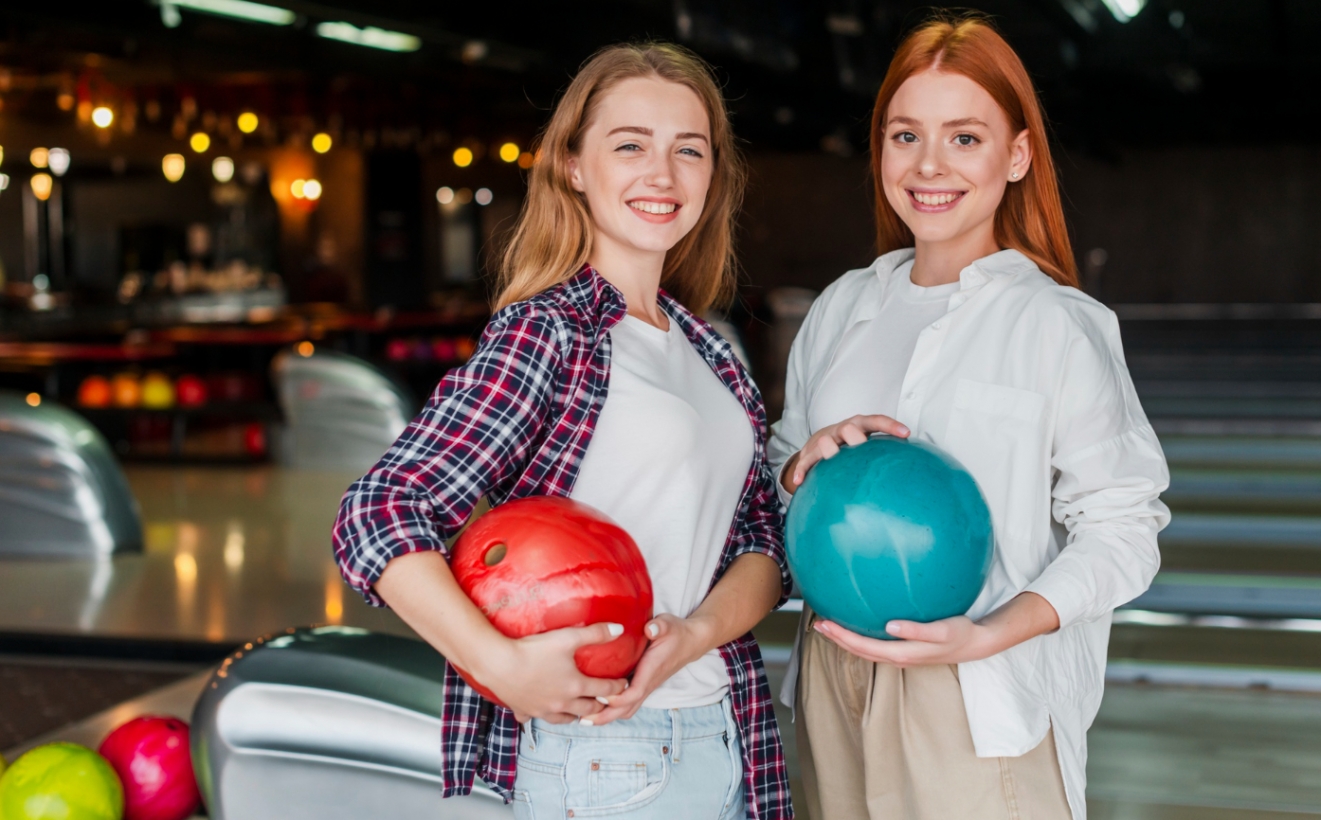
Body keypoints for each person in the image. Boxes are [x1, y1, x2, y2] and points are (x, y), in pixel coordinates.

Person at [333, 42, 794, 820]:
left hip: (727, 731)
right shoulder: (549, 333)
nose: (663, 174)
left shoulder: (709, 346)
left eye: (689, 150)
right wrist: (500, 667)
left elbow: (761, 541)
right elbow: (378, 513)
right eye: (629, 146)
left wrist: (690, 635)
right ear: (573, 166)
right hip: (603, 750)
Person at [768, 15, 1170, 820]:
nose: (927, 166)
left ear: (1016, 155)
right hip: (831, 680)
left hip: (981, 694)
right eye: (904, 134)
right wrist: (797, 465)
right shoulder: (841, 310)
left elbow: (1125, 528)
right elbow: (778, 490)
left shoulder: (1059, 325)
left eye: (963, 138)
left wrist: (988, 635)